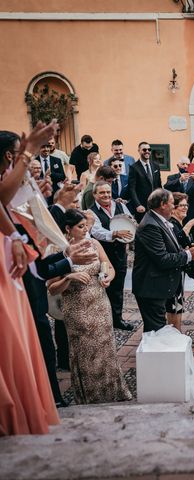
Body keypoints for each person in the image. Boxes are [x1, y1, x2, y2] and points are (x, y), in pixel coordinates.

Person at [0, 123, 62, 434]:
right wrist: (28, 152)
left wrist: (13, 238)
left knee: (18, 328)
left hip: (8, 250)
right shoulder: (14, 168)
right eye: (14, 155)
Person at [46, 209, 132, 405]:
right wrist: (69, 277)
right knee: (85, 353)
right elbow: (51, 288)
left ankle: (113, 392)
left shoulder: (94, 243)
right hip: (76, 308)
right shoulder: (60, 251)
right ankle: (90, 396)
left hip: (100, 304)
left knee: (106, 349)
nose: (85, 230)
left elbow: (108, 266)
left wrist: (108, 277)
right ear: (68, 229)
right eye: (80, 227)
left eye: (86, 226)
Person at [133, 189, 194, 332]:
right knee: (155, 331)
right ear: (163, 204)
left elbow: (171, 248)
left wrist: (187, 252)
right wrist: (188, 256)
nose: (174, 206)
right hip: (151, 287)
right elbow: (162, 258)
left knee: (158, 329)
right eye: (172, 203)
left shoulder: (160, 221)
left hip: (159, 285)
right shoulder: (150, 225)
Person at [89, 181, 135, 331]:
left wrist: (132, 226)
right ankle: (103, 320)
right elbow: (96, 232)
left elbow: (130, 220)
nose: (106, 195)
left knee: (118, 288)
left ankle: (117, 319)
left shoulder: (120, 206)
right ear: (94, 194)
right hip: (102, 255)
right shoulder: (91, 212)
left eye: (108, 192)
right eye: (102, 193)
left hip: (120, 253)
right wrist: (114, 233)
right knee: (103, 286)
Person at [166, 192, 194, 332]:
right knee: (173, 305)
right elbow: (178, 238)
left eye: (186, 205)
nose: (185, 208)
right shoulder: (171, 223)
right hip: (173, 269)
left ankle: (177, 331)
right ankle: (174, 332)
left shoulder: (177, 223)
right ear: (173, 208)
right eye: (181, 205)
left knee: (178, 302)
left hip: (180, 268)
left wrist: (193, 245)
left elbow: (184, 242)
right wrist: (190, 223)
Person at [164, 156, 194, 225]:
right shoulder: (172, 177)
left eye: (187, 164)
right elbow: (166, 187)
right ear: (178, 165)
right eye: (183, 164)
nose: (185, 166)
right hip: (176, 214)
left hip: (193, 214)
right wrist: (179, 180)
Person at [128, 141, 162, 222]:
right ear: (139, 151)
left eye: (149, 149)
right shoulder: (134, 167)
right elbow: (131, 188)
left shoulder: (156, 166)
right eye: (144, 150)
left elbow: (159, 186)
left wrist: (161, 202)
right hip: (142, 207)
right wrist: (138, 205)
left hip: (155, 205)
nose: (147, 151)